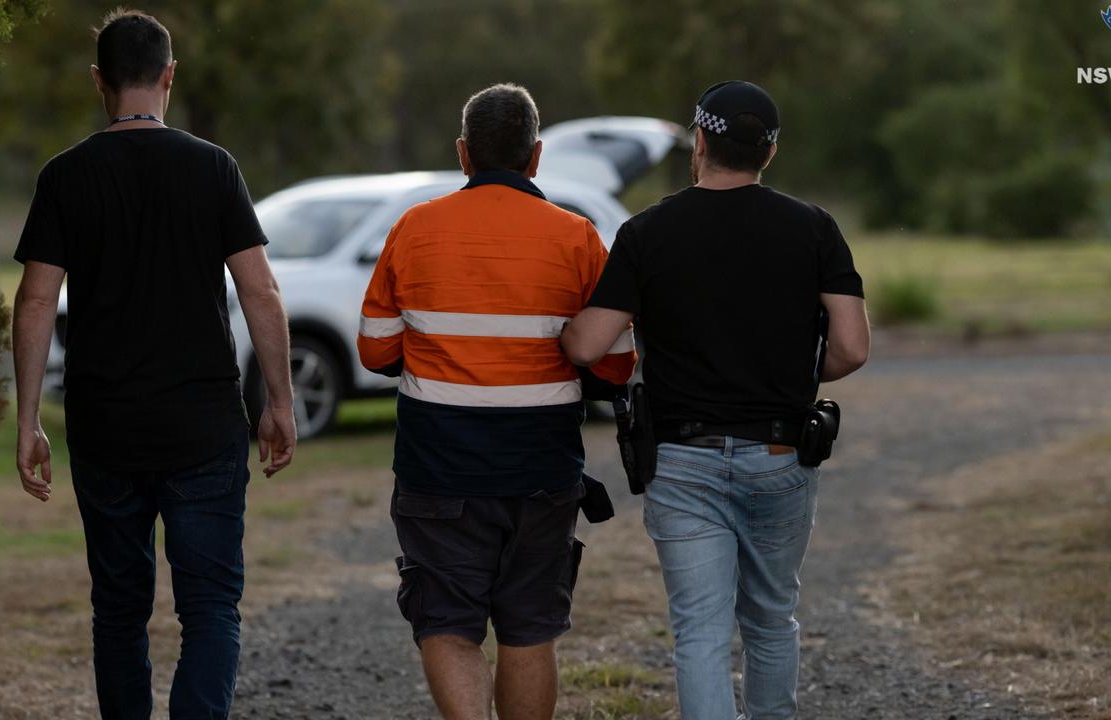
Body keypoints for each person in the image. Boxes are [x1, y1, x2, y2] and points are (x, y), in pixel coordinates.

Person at [11, 9, 297, 718]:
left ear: (97, 81)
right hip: (202, 427)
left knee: (117, 611)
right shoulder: (213, 167)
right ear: (169, 77)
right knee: (209, 610)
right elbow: (260, 288)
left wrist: (27, 422)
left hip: (106, 429)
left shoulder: (65, 177)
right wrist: (280, 403)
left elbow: (35, 301)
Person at [561, 80, 870, 719]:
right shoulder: (815, 229)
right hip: (782, 449)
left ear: (699, 142)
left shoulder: (648, 232)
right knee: (770, 620)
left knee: (700, 633)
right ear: (771, 152)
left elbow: (588, 347)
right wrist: (796, 376)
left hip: (682, 458)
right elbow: (852, 347)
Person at [357, 83, 636, 720]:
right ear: (535, 157)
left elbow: (375, 352)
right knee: (530, 628)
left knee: (449, 624)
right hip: (542, 467)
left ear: (463, 154)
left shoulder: (414, 228)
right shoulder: (578, 237)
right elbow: (618, 362)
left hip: (439, 467)